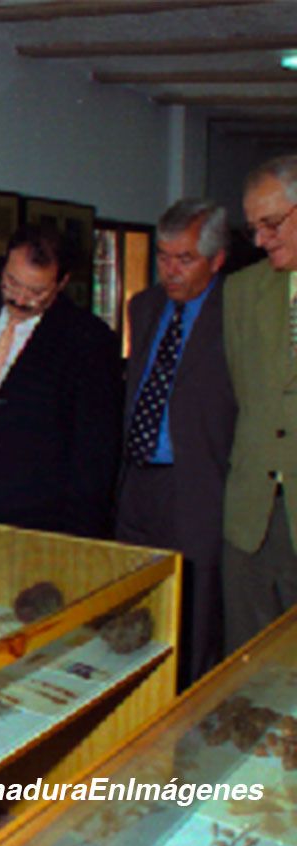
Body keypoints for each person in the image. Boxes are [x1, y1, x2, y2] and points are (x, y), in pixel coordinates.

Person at [0, 225, 122, 538]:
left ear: (61, 283)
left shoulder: (88, 340)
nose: (19, 299)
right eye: (12, 283)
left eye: (36, 292)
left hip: (35, 515)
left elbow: (93, 453)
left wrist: (77, 537)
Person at [115, 199, 235, 687]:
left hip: (199, 487)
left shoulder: (237, 312)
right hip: (136, 483)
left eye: (184, 259)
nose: (169, 269)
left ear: (217, 259)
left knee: (194, 622)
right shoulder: (143, 307)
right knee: (133, 613)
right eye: (163, 256)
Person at [222, 154, 297, 651]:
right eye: (253, 228)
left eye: (271, 224)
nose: (260, 240)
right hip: (251, 519)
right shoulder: (242, 292)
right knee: (246, 668)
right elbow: (247, 397)